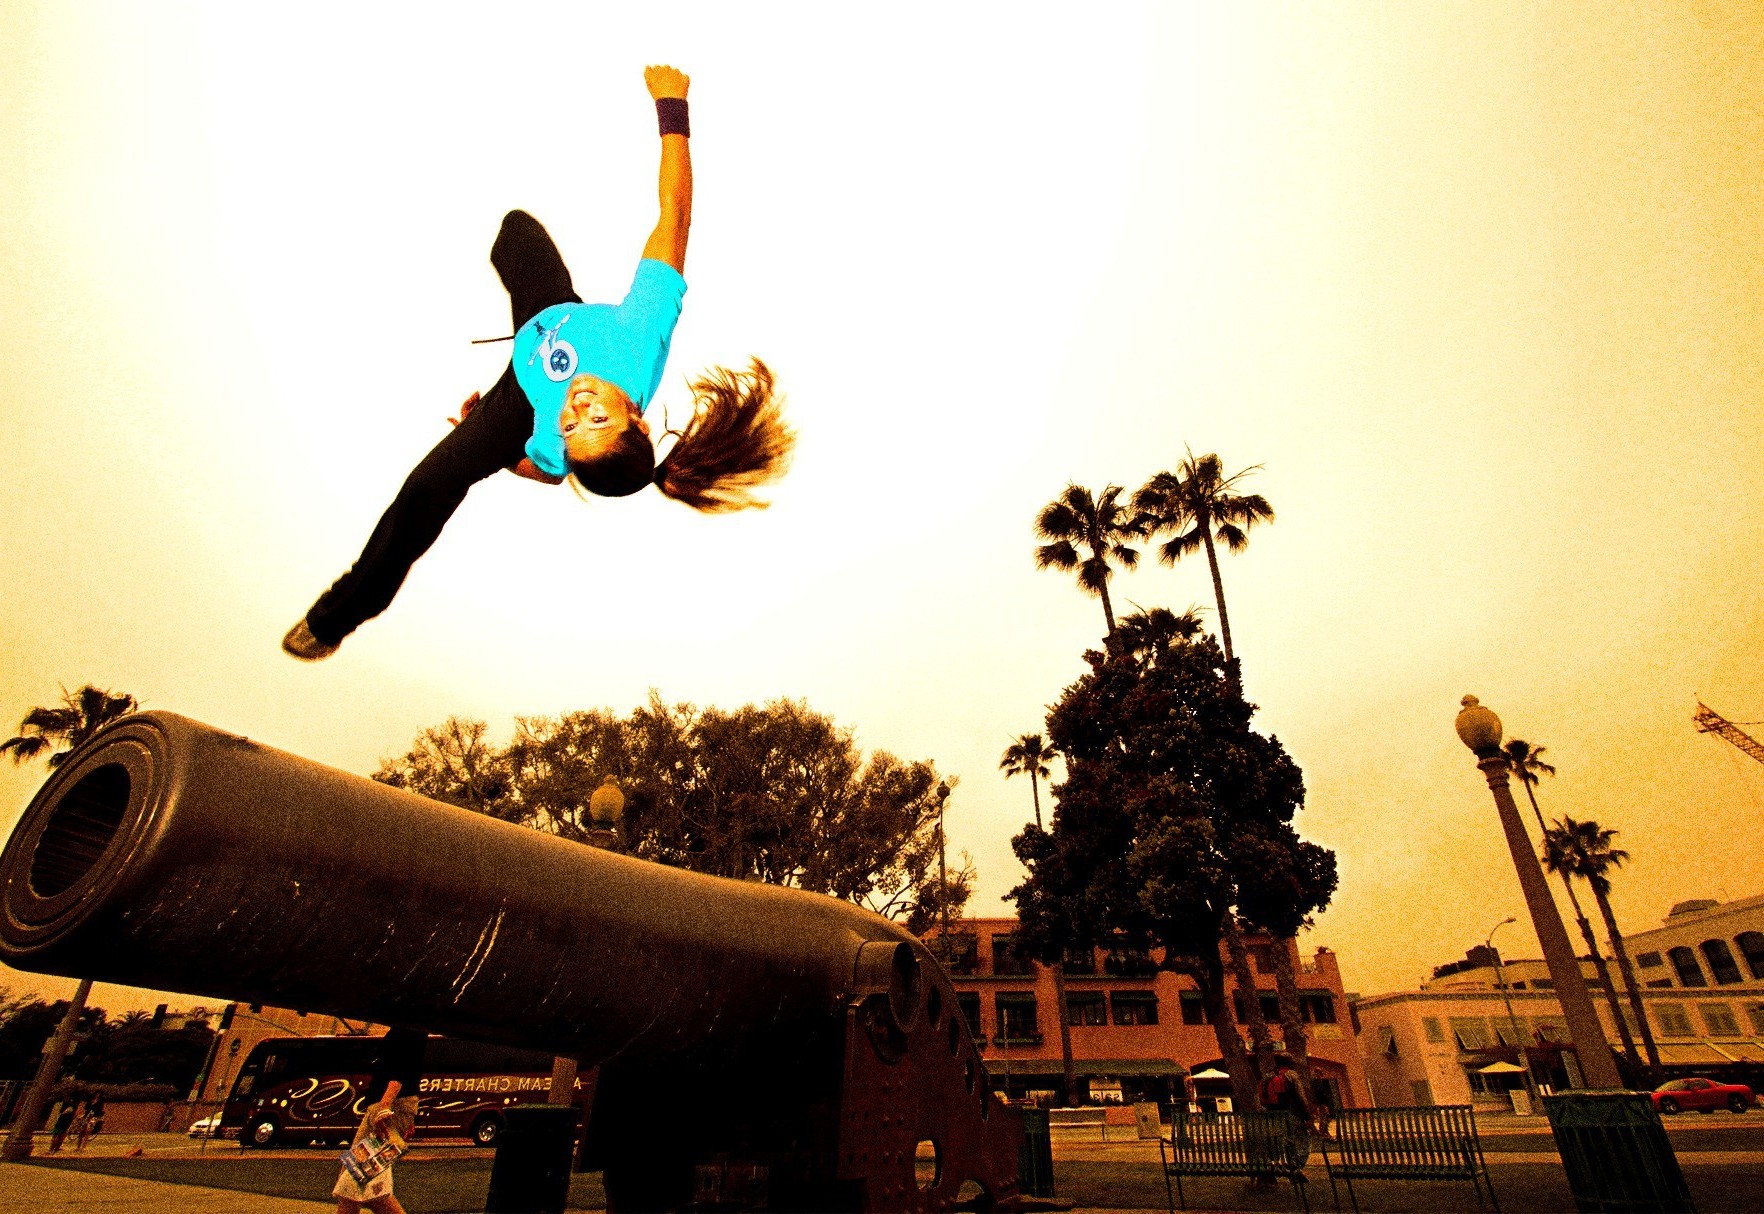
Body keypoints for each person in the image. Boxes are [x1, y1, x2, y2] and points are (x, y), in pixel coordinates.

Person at [284, 63, 793, 661]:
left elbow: (548, 469)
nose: (577, 409)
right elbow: (674, 216)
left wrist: (493, 448)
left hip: (515, 405)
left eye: (574, 430)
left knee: (428, 488)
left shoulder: (552, 437)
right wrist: (672, 110)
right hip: (552, 314)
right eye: (596, 417)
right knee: (516, 233)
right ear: (634, 413)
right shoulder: (640, 335)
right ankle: (518, 286)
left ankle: (334, 619)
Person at [332, 1027, 428, 1214]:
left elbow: (401, 1070)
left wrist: (385, 1106)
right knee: (353, 1180)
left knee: (355, 1179)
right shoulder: (410, 1025)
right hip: (390, 1105)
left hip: (388, 1105)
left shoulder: (409, 1026)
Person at [1258, 1054, 1312, 1165]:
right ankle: (1297, 1164)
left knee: (1288, 1140)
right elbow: (1301, 1095)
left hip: (1275, 1113)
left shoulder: (1268, 1076)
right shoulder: (1291, 1075)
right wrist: (1307, 1113)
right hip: (1292, 1112)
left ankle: (1291, 1165)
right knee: (1303, 1140)